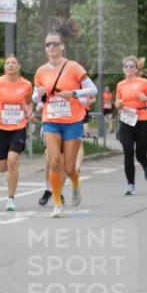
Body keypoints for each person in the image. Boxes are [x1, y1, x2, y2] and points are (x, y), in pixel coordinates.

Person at [33, 31, 97, 218]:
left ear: (62, 46)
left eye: (54, 44)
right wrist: (39, 93)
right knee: (54, 163)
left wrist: (74, 93)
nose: (51, 47)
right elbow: (36, 96)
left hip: (72, 121)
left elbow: (93, 89)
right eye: (48, 44)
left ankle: (76, 184)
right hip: (51, 120)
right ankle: (58, 204)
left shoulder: (74, 67)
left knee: (69, 168)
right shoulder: (41, 71)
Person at [0, 56, 33, 211]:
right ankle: (12, 169)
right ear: (4, 67)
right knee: (2, 167)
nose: (10, 65)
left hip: (18, 127)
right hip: (0, 128)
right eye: (8, 63)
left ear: (19, 67)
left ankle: (11, 198)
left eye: (14, 63)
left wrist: (29, 114)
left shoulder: (26, 85)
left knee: (12, 161)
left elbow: (29, 102)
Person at [115, 56, 147, 195]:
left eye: (131, 66)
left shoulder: (143, 82)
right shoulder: (120, 85)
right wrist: (118, 104)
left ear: (136, 69)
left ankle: (145, 165)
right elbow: (117, 102)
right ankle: (130, 184)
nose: (129, 69)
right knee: (128, 151)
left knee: (140, 154)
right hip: (126, 120)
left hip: (142, 120)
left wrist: (145, 98)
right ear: (123, 69)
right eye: (126, 66)